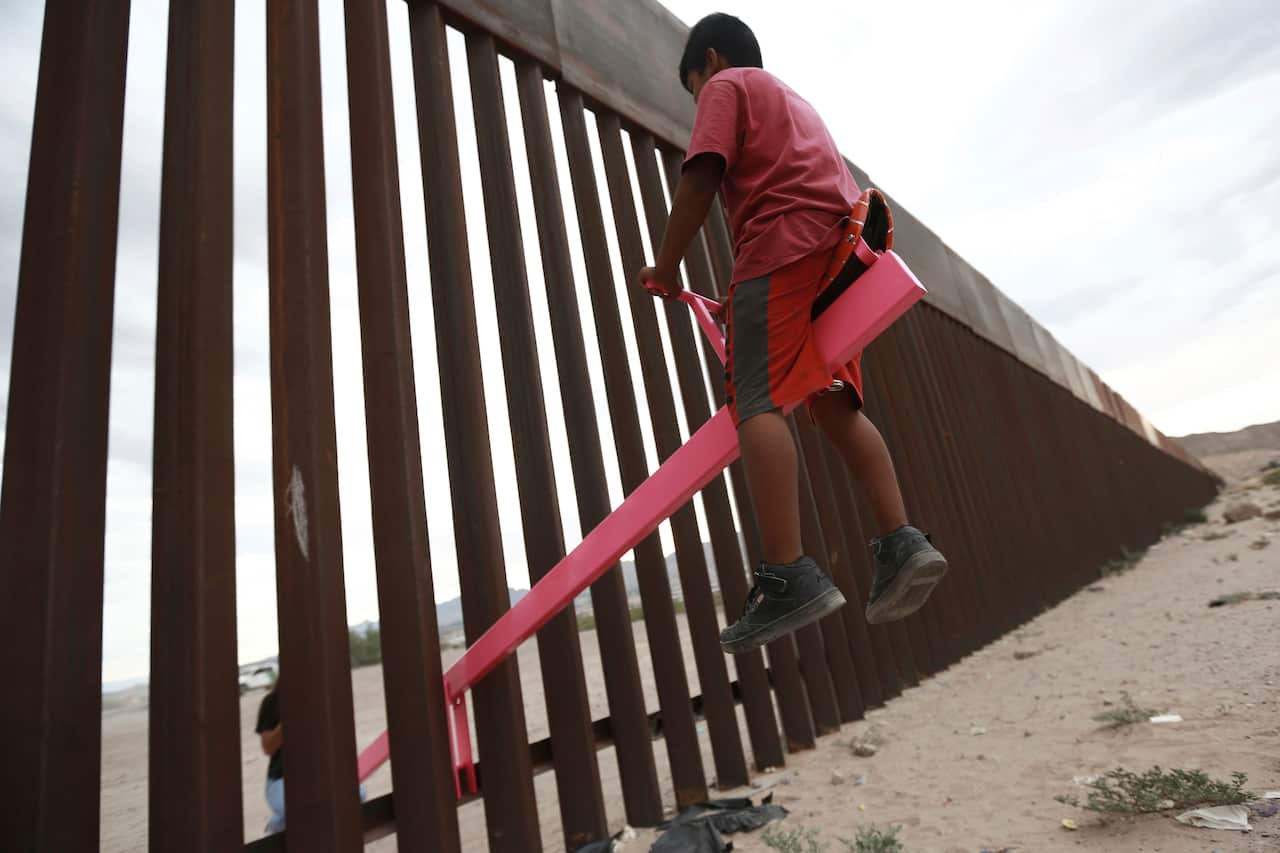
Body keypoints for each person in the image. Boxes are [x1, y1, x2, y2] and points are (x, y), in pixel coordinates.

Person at [637, 13, 949, 654]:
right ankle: (901, 542)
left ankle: (787, 575)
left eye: (692, 85)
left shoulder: (728, 87)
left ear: (711, 60)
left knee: (755, 399)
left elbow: (702, 174)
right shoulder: (797, 103)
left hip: (779, 244)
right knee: (833, 403)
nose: (699, 99)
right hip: (840, 261)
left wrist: (666, 267)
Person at [255, 677, 368, 834]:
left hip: (319, 772)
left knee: (359, 795)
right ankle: (277, 826)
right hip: (280, 778)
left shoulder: (320, 696)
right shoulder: (271, 702)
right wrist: (290, 715)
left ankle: (280, 822)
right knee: (294, 813)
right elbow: (267, 747)